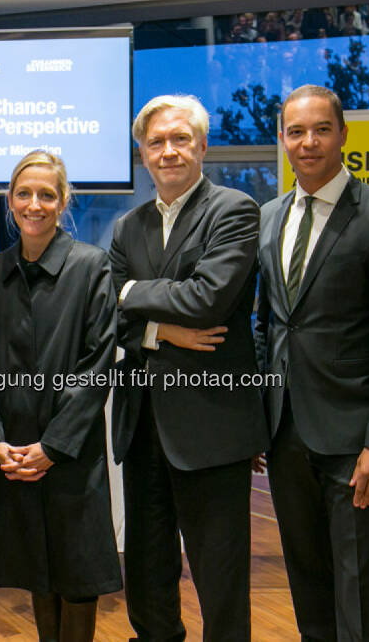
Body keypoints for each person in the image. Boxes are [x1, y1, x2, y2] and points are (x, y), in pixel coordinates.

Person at [253, 84, 369, 641]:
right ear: (282, 139)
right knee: (306, 576)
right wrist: (258, 417)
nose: (308, 142)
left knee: (358, 582)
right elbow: (267, 323)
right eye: (296, 132)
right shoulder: (269, 216)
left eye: (321, 129)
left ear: (344, 135)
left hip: (354, 438)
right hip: (284, 432)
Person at [109, 94, 269, 641]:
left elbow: (207, 300)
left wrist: (130, 290)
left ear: (202, 145)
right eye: (156, 142)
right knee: (149, 569)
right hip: (143, 426)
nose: (169, 151)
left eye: (181, 139)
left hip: (212, 425)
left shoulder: (234, 210)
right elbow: (104, 316)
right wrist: (158, 329)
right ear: (142, 152)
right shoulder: (126, 227)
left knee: (219, 575)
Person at [0, 151, 122, 642]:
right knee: (35, 566)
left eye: (47, 195)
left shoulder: (91, 266)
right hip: (12, 449)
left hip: (70, 451)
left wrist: (53, 448)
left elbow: (97, 364)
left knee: (78, 572)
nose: (34, 204)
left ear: (63, 202)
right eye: (24, 194)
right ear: (10, 200)